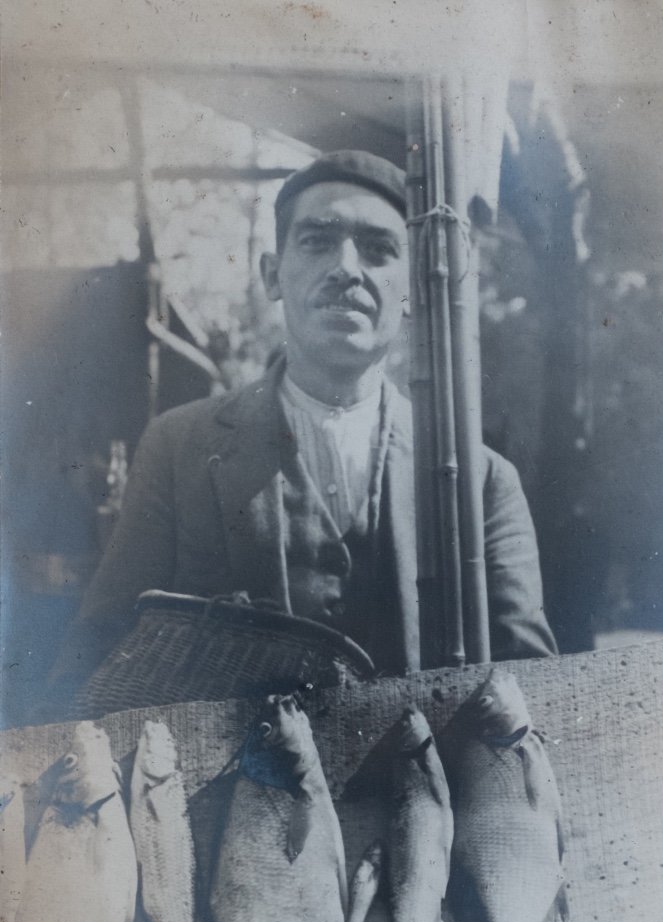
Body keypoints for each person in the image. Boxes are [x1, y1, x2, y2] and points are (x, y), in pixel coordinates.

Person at [53, 150, 555, 699]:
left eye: (378, 248)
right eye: (317, 240)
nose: (346, 268)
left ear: (411, 290)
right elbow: (94, 667)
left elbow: (529, 696)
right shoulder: (179, 449)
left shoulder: (480, 481)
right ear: (273, 275)